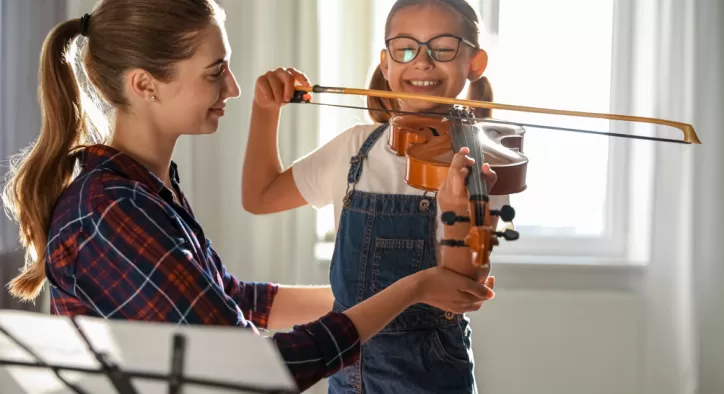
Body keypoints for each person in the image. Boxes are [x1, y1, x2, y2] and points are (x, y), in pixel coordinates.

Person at [0, 0, 496, 392]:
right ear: (145, 85)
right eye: (215, 72)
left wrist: (390, 300)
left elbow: (232, 299)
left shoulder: (146, 190)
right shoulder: (113, 210)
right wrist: (409, 290)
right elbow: (255, 372)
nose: (234, 88)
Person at [242, 0, 506, 392]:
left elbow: (461, 292)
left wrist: (456, 215)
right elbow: (260, 197)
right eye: (405, 48)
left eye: (443, 48)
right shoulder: (354, 147)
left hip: (428, 376)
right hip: (345, 366)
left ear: (474, 62)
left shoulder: (482, 164)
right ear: (386, 64)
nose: (422, 61)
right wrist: (266, 110)